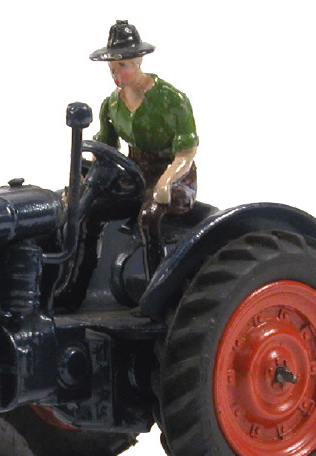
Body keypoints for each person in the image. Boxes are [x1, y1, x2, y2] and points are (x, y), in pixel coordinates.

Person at [90, 20, 199, 280]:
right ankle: (76, 284)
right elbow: (106, 149)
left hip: (174, 175)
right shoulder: (111, 105)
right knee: (88, 211)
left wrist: (165, 182)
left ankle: (156, 286)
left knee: (150, 217)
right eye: (112, 68)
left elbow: (186, 153)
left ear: (138, 61)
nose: (116, 74)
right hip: (135, 175)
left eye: (123, 66)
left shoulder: (173, 100)